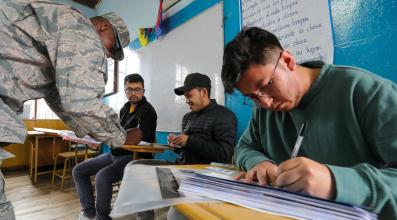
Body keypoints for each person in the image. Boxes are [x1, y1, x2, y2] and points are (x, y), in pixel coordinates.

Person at [221, 27, 397, 219]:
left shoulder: (365, 92)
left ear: (288, 60)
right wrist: (259, 163)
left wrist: (335, 182)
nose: (265, 103)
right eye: (253, 97)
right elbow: (244, 147)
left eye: (267, 85)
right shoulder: (263, 109)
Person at [0, 0, 137, 219]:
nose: (109, 55)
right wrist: (119, 136)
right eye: (113, 47)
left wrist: (98, 131)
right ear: (104, 27)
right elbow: (81, 102)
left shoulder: (59, 28)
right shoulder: (82, 30)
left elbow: (61, 98)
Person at [134, 72, 237, 220]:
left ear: (204, 92)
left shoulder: (224, 116)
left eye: (189, 95)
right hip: (180, 170)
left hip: (203, 177)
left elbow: (224, 154)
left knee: (174, 216)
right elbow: (186, 149)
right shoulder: (187, 117)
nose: (186, 100)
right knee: (139, 171)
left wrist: (188, 141)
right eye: (185, 97)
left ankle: (177, 203)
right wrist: (177, 143)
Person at [73, 73, 157, 220]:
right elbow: (116, 134)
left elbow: (135, 140)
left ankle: (102, 217)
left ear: (144, 91)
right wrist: (98, 136)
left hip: (133, 157)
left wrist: (108, 137)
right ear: (125, 91)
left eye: (137, 89)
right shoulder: (124, 109)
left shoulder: (148, 111)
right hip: (115, 154)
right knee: (78, 171)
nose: (133, 93)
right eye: (129, 89)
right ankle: (89, 212)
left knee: (102, 177)